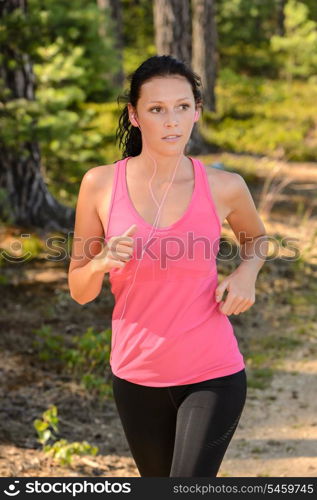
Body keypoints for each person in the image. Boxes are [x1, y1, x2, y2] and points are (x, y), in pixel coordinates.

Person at [68, 55, 268, 477]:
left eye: (182, 107)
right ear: (134, 115)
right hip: (135, 373)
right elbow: (80, 291)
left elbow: (258, 241)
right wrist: (99, 263)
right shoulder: (100, 184)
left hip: (213, 372)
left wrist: (246, 273)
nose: (171, 121)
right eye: (157, 109)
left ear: (197, 111)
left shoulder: (225, 186)